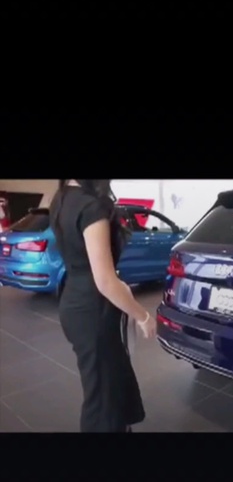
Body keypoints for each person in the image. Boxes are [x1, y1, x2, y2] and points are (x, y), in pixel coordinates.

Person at [49, 179, 156, 433]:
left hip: (74, 301)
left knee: (107, 382)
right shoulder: (91, 207)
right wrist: (142, 316)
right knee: (102, 398)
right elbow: (105, 281)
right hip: (94, 310)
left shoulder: (61, 199)